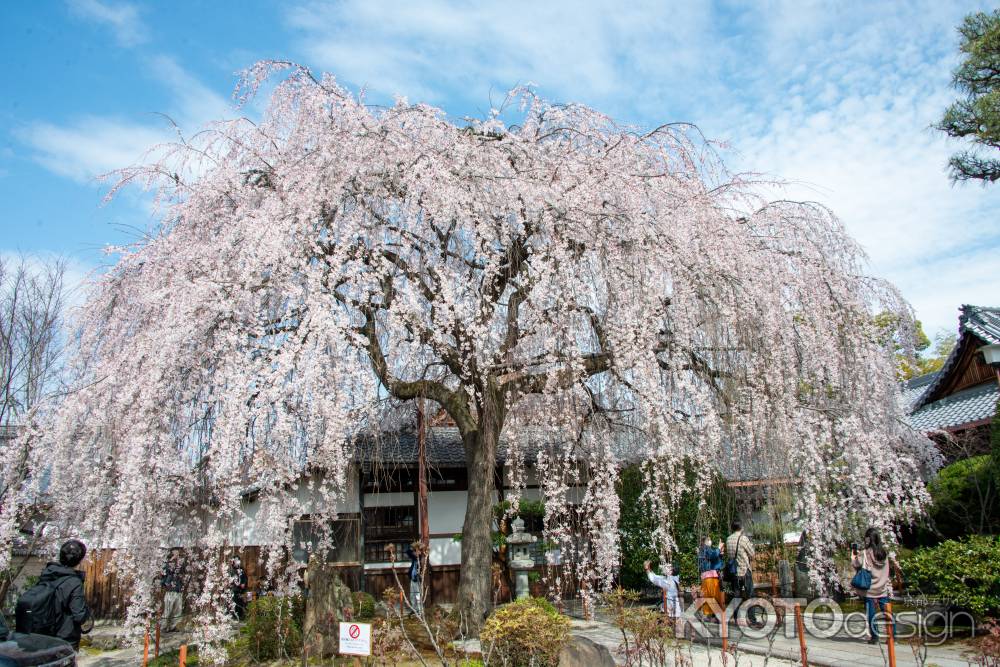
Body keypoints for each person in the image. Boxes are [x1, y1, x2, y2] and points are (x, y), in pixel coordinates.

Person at [16, 539, 92, 649]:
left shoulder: (48, 574)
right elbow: (79, 616)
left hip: (44, 635)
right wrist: (87, 612)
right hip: (65, 638)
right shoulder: (74, 582)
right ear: (79, 560)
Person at [852, 527, 901, 644]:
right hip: (882, 588)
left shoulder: (865, 553)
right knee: (888, 613)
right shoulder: (883, 553)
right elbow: (887, 570)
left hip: (870, 589)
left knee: (871, 614)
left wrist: (854, 556)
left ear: (868, 539)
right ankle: (892, 637)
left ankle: (875, 637)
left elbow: (855, 564)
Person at [725, 520, 758, 625]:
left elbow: (729, 554)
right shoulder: (743, 539)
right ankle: (751, 618)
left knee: (736, 595)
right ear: (741, 528)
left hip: (734, 571)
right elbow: (752, 553)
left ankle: (737, 618)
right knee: (750, 594)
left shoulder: (728, 539)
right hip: (744, 570)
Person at [697, 536, 725, 621]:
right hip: (710, 576)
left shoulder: (703, 549)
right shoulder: (706, 548)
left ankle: (709, 615)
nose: (710, 541)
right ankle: (714, 616)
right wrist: (719, 548)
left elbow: (714, 558)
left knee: (708, 595)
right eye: (709, 540)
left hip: (707, 576)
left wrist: (720, 553)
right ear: (705, 542)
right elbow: (713, 556)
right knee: (714, 595)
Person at [160, 548, 186, 632]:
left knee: (177, 609)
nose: (177, 555)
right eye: (175, 553)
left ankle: (173, 626)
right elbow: (164, 572)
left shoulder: (181, 563)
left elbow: (184, 571)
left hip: (178, 589)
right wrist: (171, 560)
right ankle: (164, 626)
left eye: (178, 553)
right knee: (168, 608)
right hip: (170, 590)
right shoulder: (168, 563)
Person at [404, 542, 424, 615]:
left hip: (417, 579)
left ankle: (420, 611)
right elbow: (408, 552)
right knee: (412, 595)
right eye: (415, 551)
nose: (416, 553)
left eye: (417, 551)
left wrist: (418, 549)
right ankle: (414, 609)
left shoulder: (421, 558)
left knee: (418, 595)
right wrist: (413, 547)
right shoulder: (414, 558)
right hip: (412, 579)